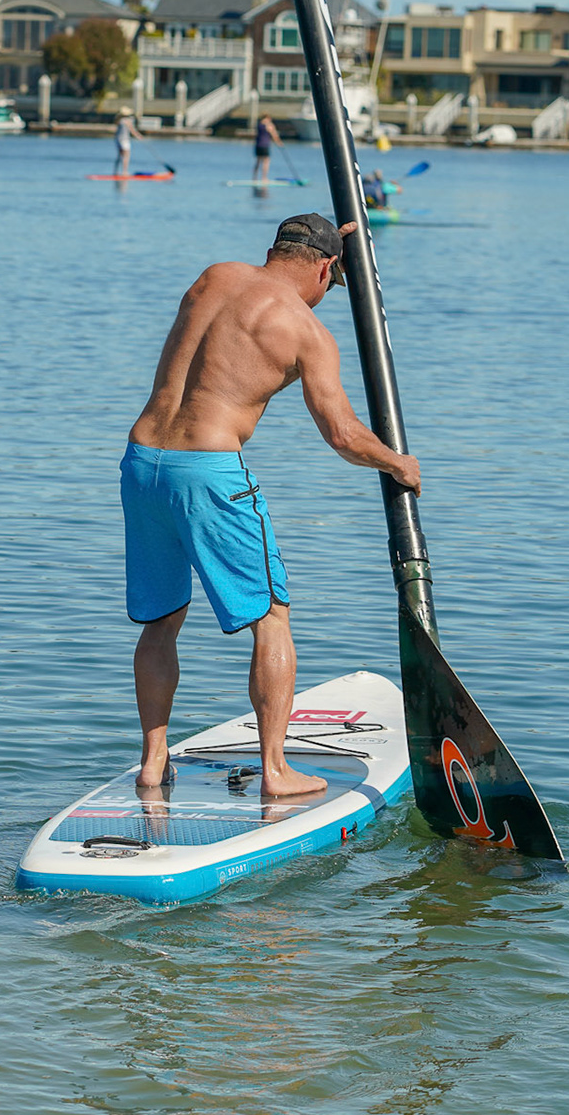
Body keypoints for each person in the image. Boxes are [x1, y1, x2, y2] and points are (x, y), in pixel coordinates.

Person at [121, 214, 422, 797]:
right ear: (325, 269)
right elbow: (341, 434)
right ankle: (276, 772)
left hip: (141, 464)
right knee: (272, 619)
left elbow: (273, 282)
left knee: (161, 622)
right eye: (330, 285)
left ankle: (153, 762)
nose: (326, 300)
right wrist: (396, 462)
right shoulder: (304, 329)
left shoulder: (213, 278)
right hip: (208, 472)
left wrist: (331, 240)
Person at [113, 105, 141, 176]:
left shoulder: (119, 120)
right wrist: (138, 136)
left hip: (117, 139)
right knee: (126, 156)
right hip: (124, 140)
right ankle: (124, 172)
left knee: (119, 156)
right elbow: (132, 130)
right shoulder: (128, 120)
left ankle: (115, 172)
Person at [253, 114, 282, 182]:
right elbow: (274, 135)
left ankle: (255, 177)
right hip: (265, 145)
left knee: (258, 161)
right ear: (268, 118)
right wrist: (279, 143)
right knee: (266, 161)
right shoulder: (269, 125)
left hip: (258, 145)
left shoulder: (259, 124)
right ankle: (264, 178)